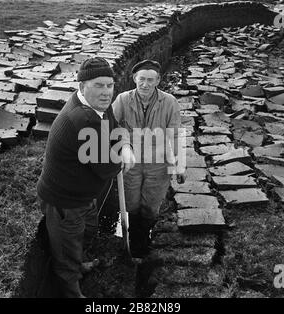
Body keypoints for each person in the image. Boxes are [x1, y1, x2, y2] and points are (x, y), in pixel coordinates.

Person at [37, 57, 135, 298]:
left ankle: (79, 263)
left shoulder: (98, 106)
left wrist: (125, 144)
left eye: (110, 85)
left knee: (83, 234)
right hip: (65, 202)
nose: (106, 92)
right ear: (82, 86)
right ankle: (72, 291)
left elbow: (115, 128)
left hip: (82, 193)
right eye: (98, 85)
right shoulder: (84, 119)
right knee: (65, 256)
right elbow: (108, 168)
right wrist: (123, 156)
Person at [112, 59, 185, 259]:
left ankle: (145, 241)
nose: (145, 84)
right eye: (141, 79)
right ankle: (131, 243)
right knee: (130, 204)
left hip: (158, 164)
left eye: (150, 80)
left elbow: (176, 133)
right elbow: (110, 127)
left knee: (151, 206)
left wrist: (179, 163)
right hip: (130, 163)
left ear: (158, 80)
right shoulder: (122, 100)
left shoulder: (169, 102)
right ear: (134, 78)